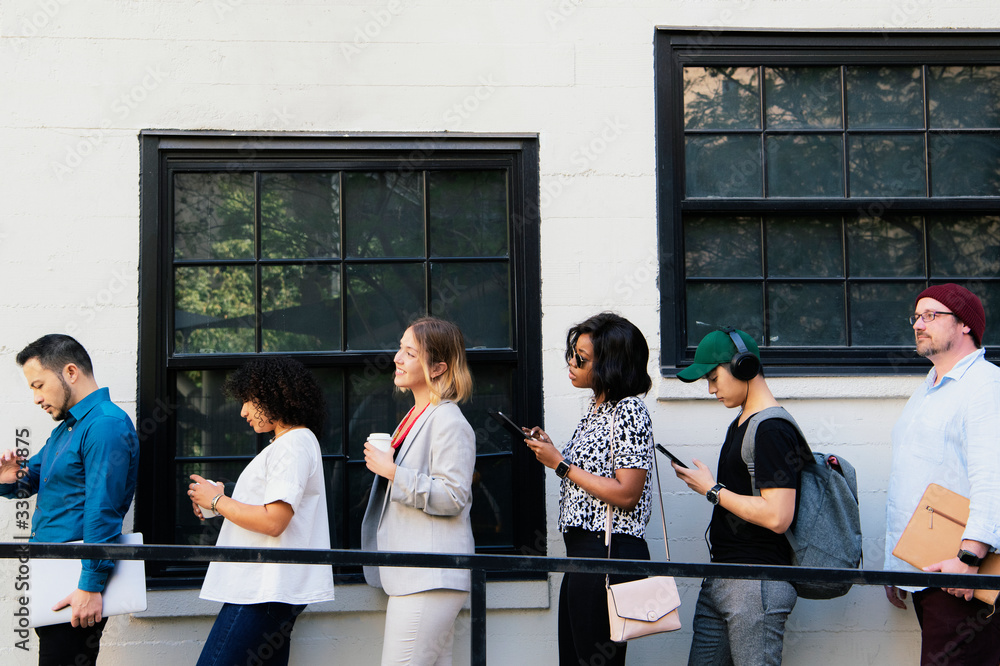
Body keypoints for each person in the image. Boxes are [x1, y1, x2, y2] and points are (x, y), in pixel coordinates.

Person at [672, 328, 810, 666]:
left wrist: (712, 490)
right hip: (724, 577)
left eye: (714, 377)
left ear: (742, 365)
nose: (711, 389)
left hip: (755, 584)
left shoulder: (772, 429)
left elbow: (778, 516)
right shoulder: (741, 424)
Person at [0, 334, 140, 666]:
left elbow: (102, 510)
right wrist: (8, 479)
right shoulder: (66, 429)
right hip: (54, 575)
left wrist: (90, 586)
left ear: (71, 372)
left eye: (38, 385)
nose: (35, 398)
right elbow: (34, 479)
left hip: (77, 581)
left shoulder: (105, 425)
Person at [523, 312, 654, 666]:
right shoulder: (598, 410)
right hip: (584, 554)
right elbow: (590, 476)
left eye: (581, 357)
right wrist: (555, 453)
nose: (571, 361)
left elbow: (627, 493)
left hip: (607, 553)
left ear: (610, 364)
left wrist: (561, 464)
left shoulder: (629, 411)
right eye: (572, 352)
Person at [188, 356, 335, 666]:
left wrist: (217, 501)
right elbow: (268, 509)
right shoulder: (292, 443)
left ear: (274, 395)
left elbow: (274, 521)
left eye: (249, 400)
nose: (243, 411)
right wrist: (217, 502)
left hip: (264, 588)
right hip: (270, 588)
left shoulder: (292, 445)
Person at [883, 283, 1000, 665]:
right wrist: (896, 566)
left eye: (932, 315)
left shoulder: (984, 386)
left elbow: (993, 476)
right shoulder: (930, 389)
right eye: (916, 316)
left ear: (965, 324)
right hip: (929, 569)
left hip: (961, 576)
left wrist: (970, 557)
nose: (919, 324)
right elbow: (911, 480)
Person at [361, 316, 476, 666]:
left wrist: (393, 472)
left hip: (429, 578)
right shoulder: (415, 415)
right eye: (400, 348)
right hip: (417, 576)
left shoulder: (448, 420)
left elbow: (455, 496)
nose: (397, 358)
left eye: (409, 353)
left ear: (438, 367)